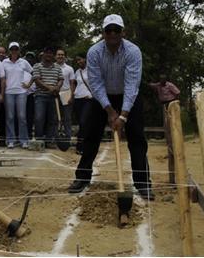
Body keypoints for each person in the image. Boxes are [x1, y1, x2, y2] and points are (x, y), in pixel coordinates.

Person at [68, 14, 153, 201]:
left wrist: (122, 116)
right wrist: (110, 111)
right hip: (102, 97)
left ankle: (143, 183)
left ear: (123, 32)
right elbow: (96, 84)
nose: (112, 34)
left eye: (116, 30)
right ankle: (82, 178)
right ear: (103, 33)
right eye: (108, 30)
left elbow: (132, 85)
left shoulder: (133, 51)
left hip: (128, 96)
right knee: (90, 135)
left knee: (137, 138)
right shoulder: (94, 52)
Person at [31, 46, 63, 148]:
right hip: (40, 96)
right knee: (39, 118)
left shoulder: (57, 67)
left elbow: (61, 79)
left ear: (53, 55)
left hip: (53, 96)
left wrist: (57, 87)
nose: (49, 55)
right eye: (47, 53)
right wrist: (50, 88)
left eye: (51, 53)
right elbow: (37, 80)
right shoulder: (37, 66)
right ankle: (39, 140)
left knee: (52, 119)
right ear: (43, 54)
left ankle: (49, 141)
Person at [3, 42, 33, 149]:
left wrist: (29, 84)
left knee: (22, 117)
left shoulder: (23, 62)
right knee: (10, 117)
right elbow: (1, 77)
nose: (14, 51)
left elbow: (33, 73)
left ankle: (23, 140)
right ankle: (10, 140)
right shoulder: (4, 62)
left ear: (19, 50)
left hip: (21, 92)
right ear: (9, 51)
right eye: (12, 49)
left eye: (16, 49)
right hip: (8, 92)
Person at [72, 52, 93, 155]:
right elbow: (76, 84)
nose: (79, 62)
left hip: (88, 99)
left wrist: (92, 95)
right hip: (78, 99)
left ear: (85, 59)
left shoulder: (92, 70)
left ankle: (84, 146)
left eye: (80, 59)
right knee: (81, 123)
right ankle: (80, 146)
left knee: (84, 121)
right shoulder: (77, 72)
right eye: (77, 60)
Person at [55, 49, 76, 149]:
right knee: (55, 118)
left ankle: (68, 138)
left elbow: (72, 83)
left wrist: (72, 95)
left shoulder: (69, 68)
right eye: (58, 54)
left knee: (67, 118)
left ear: (65, 56)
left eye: (62, 55)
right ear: (56, 56)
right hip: (55, 94)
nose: (60, 56)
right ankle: (56, 138)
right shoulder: (52, 67)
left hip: (66, 93)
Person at [24, 51, 37, 140]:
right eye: (27, 57)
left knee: (30, 116)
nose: (29, 59)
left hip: (32, 95)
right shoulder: (22, 68)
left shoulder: (36, 70)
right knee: (21, 116)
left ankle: (29, 134)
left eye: (31, 58)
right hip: (21, 94)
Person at [0, 46, 8, 147]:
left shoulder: (8, 63)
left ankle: (3, 138)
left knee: (4, 116)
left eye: (3, 53)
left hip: (5, 93)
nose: (1, 55)